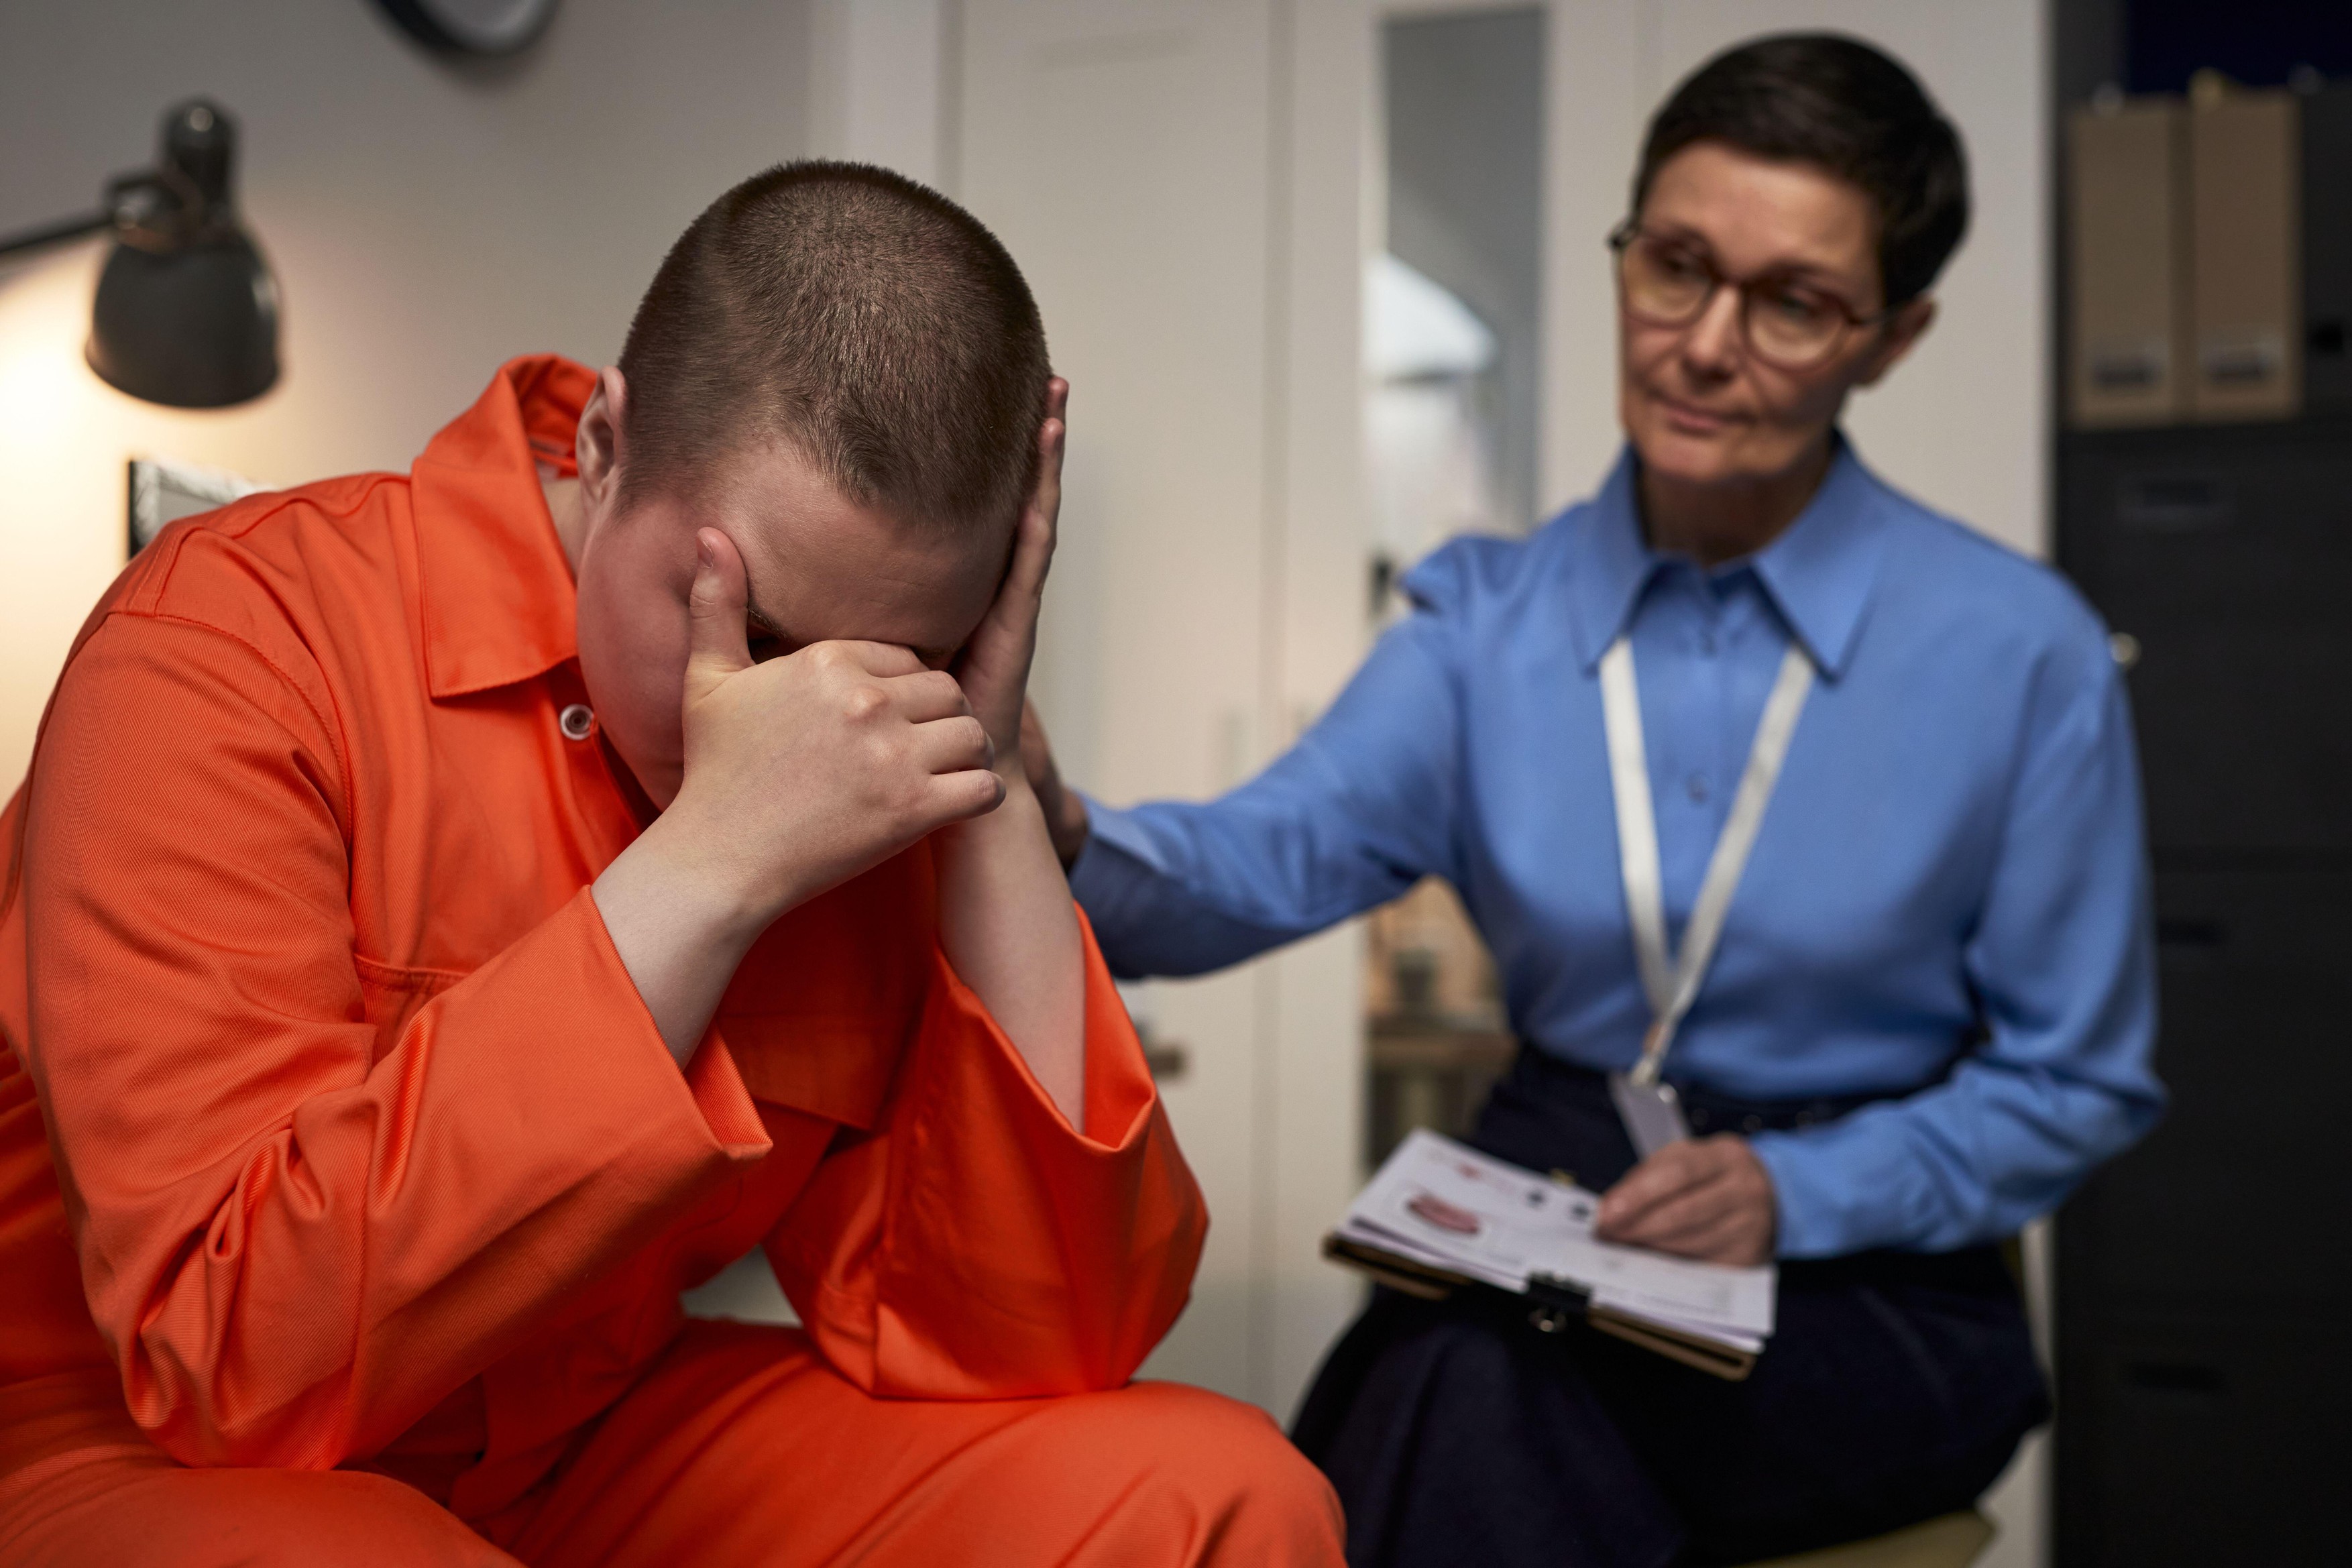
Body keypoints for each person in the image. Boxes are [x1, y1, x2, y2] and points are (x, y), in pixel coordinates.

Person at [0, 162, 1343, 1567]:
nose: (801, 720)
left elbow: (1021, 1338)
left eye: (907, 657)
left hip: (588, 1428)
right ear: (602, 445)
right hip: (138, 1436)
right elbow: (226, 1353)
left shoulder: (873, 749)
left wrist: (990, 776)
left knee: (1217, 1491)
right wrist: (708, 867)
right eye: (748, 632)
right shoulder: (235, 636)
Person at [1025, 34, 2164, 1568]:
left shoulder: (2016, 653)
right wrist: (1060, 829)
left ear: (1890, 338)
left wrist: (1792, 1185)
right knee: (1473, 1382)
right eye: (1674, 266)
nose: (1702, 343)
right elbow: (1262, 859)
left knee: (1449, 1399)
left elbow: (2077, 1084)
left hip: (1867, 1267)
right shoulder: (1484, 621)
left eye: (1792, 302)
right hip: (1546, 1200)